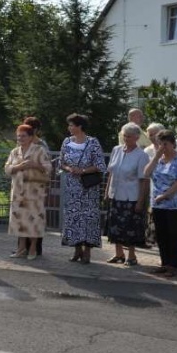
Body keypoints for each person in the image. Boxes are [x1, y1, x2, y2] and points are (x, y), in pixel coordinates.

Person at [59, 113, 107, 264]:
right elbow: (61, 162)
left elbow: (100, 165)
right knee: (73, 218)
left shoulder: (93, 142)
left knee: (87, 219)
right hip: (72, 188)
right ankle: (76, 249)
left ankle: (87, 251)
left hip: (87, 189)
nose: (69, 127)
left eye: (72, 125)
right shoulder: (67, 142)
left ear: (80, 126)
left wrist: (83, 171)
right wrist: (69, 168)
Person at [145, 123, 177, 265]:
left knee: (174, 235)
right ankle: (165, 263)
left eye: (165, 144)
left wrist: (166, 195)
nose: (163, 147)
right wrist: (156, 157)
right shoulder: (158, 160)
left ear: (173, 144)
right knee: (162, 235)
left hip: (175, 204)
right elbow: (146, 173)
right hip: (158, 203)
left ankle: (174, 265)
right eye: (160, 144)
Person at [4, 124, 53, 260]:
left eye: (23, 136)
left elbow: (49, 168)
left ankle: (32, 249)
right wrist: (19, 166)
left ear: (31, 137)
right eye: (18, 135)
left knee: (34, 221)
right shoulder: (14, 152)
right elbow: (7, 169)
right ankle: (21, 249)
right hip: (18, 193)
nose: (20, 138)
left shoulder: (39, 150)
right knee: (19, 221)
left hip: (34, 194)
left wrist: (34, 165)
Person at [104, 123, 150, 266]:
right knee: (115, 226)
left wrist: (141, 201)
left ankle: (132, 256)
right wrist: (107, 192)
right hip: (115, 194)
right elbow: (111, 172)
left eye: (129, 136)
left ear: (136, 137)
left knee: (131, 228)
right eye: (124, 135)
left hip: (131, 197)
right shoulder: (116, 150)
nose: (126, 138)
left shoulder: (141, 155)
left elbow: (144, 180)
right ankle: (119, 254)